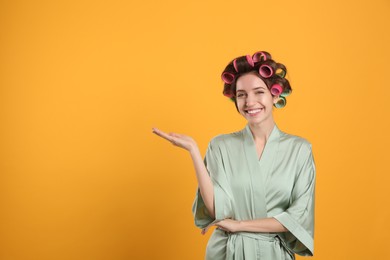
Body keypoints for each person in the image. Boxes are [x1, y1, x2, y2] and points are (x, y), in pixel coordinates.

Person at [152, 51, 316, 260]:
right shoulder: (220, 146)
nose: (250, 101)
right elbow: (216, 209)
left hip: (273, 253)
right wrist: (193, 150)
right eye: (241, 95)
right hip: (228, 251)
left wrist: (239, 225)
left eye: (258, 92)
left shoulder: (300, 150)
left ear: (275, 95)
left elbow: (297, 217)